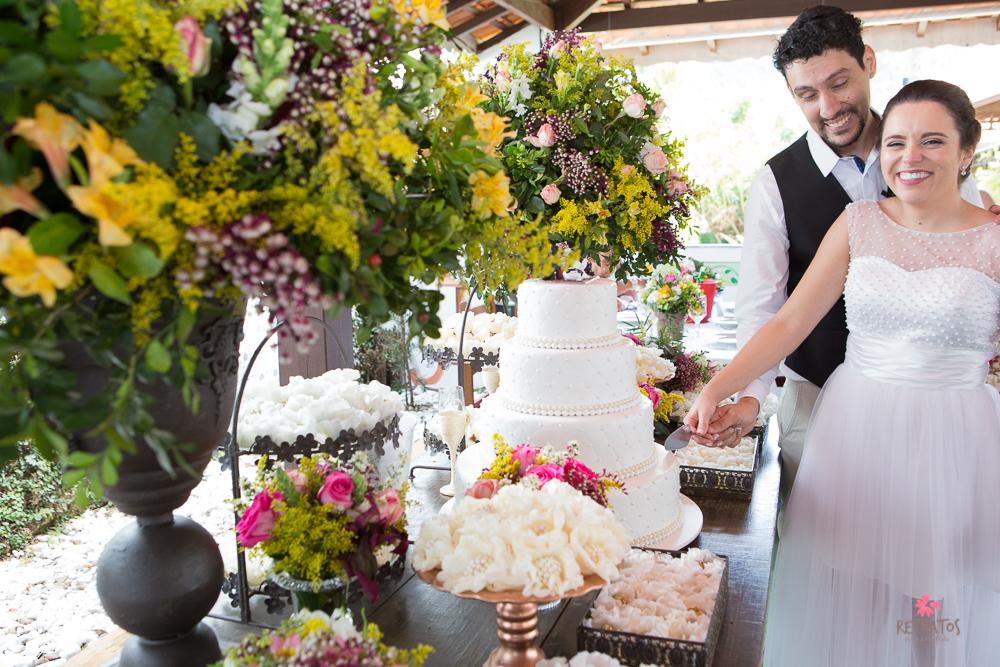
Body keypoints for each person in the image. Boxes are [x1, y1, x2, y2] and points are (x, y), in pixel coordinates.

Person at [686, 79, 1000, 665]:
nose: (910, 157)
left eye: (932, 141)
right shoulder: (860, 222)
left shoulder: (994, 238)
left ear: (966, 149)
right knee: (859, 588)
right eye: (897, 142)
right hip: (858, 431)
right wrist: (718, 386)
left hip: (954, 445)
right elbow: (788, 324)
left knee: (929, 605)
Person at [697, 7, 986, 535]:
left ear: (868, 63)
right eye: (808, 94)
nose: (828, 107)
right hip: (816, 398)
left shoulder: (932, 159)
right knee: (827, 546)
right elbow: (769, 310)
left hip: (938, 413)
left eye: (839, 83)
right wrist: (747, 395)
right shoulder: (775, 183)